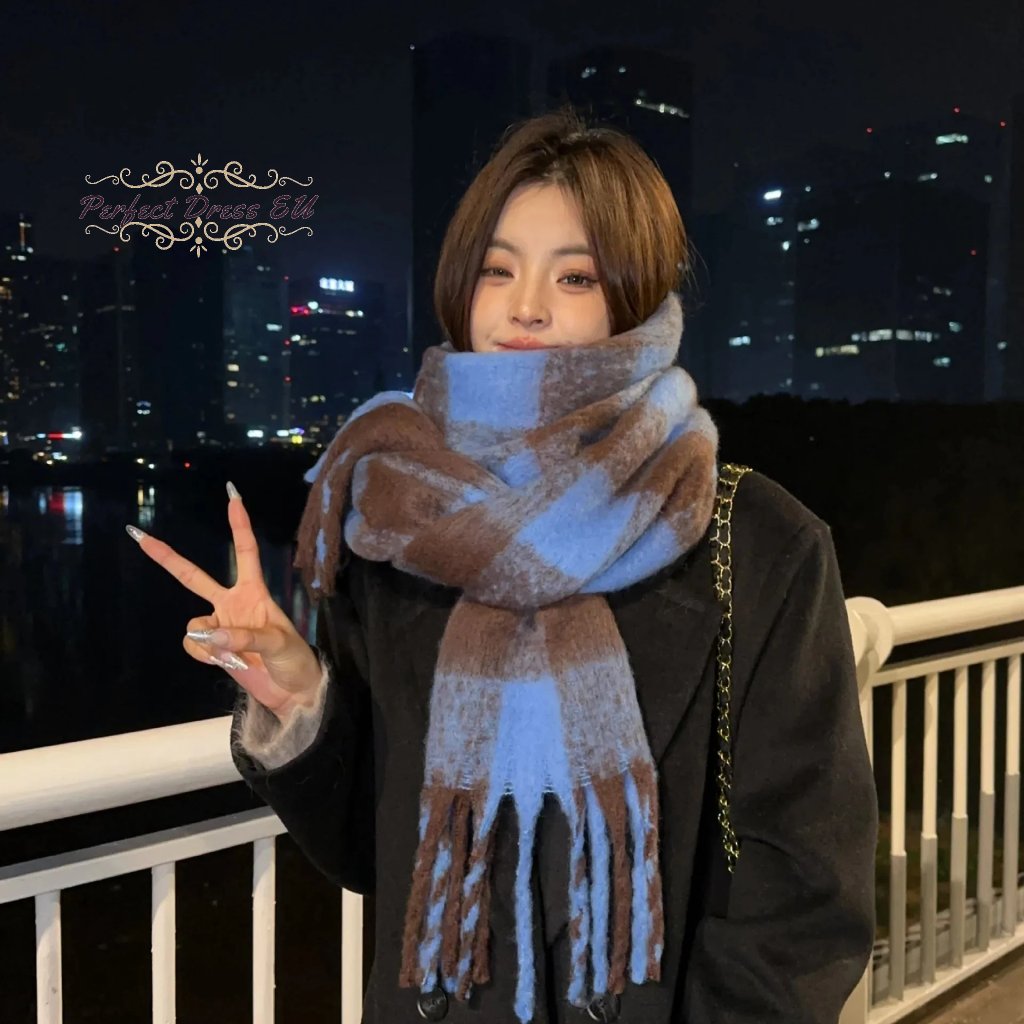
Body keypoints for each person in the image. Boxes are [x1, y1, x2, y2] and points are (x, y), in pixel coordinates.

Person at [128, 107, 879, 1024]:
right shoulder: (399, 524)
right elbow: (373, 852)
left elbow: (803, 896)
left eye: (575, 275)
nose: (526, 306)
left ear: (634, 300)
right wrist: (300, 703)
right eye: (498, 269)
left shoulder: (754, 541)